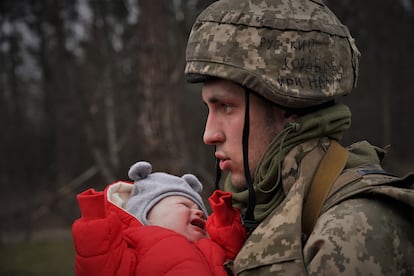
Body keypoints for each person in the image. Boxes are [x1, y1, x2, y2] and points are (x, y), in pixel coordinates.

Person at [184, 0, 414, 275]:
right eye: (209, 109)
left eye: (226, 107)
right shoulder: (249, 212)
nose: (209, 135)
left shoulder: (352, 233)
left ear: (288, 107)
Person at [72, 161, 247, 276]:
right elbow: (101, 262)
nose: (200, 213)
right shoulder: (135, 246)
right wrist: (95, 221)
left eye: (200, 210)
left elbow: (236, 256)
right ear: (146, 216)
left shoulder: (211, 247)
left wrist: (226, 221)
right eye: (184, 206)